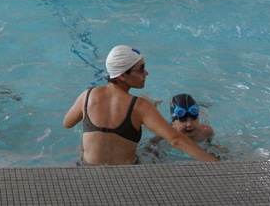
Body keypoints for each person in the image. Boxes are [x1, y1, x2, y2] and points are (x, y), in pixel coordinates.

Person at [63, 45, 218, 165]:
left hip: (86, 170)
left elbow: (67, 123)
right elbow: (176, 140)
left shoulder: (87, 95)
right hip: (127, 175)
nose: (146, 73)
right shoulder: (140, 106)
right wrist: (216, 164)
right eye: (141, 69)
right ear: (123, 76)